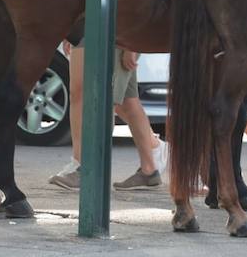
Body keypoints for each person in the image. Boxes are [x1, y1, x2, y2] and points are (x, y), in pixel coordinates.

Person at [48, 45, 163, 192]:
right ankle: (149, 171)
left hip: (119, 36)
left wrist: (131, 47)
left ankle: (88, 170)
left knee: (103, 100)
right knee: (128, 101)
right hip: (110, 33)